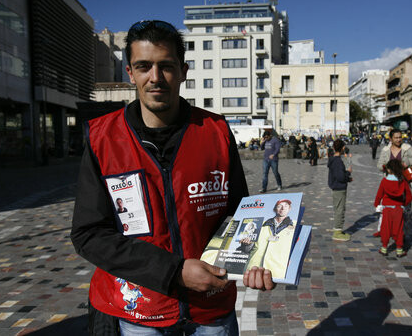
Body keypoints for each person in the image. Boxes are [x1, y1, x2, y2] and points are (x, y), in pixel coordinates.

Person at [70, 20, 274, 336]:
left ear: (183, 71)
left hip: (210, 310)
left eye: (166, 66)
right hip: (137, 314)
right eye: (143, 66)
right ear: (130, 73)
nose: (155, 78)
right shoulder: (102, 138)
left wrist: (258, 257)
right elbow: (89, 233)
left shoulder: (215, 132)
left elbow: (240, 215)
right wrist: (174, 271)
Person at [246, 200, 295, 278]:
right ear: (275, 209)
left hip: (277, 272)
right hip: (254, 269)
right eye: (279, 206)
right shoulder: (261, 224)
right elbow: (249, 247)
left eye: (286, 206)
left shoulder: (294, 226)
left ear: (289, 209)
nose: (282, 208)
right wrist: (245, 244)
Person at [374, 159, 412, 258]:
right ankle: (399, 249)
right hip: (398, 208)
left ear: (389, 170)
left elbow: (379, 195)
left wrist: (377, 204)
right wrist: (404, 204)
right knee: (399, 229)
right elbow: (409, 196)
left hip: (387, 208)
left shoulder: (384, 181)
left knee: (385, 228)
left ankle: (384, 247)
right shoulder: (402, 182)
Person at [328, 139, 352, 242]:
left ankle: (338, 229)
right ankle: (337, 231)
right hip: (339, 188)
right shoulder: (338, 161)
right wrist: (348, 174)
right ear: (342, 148)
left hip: (335, 187)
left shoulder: (333, 159)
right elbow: (340, 176)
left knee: (338, 208)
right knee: (340, 209)